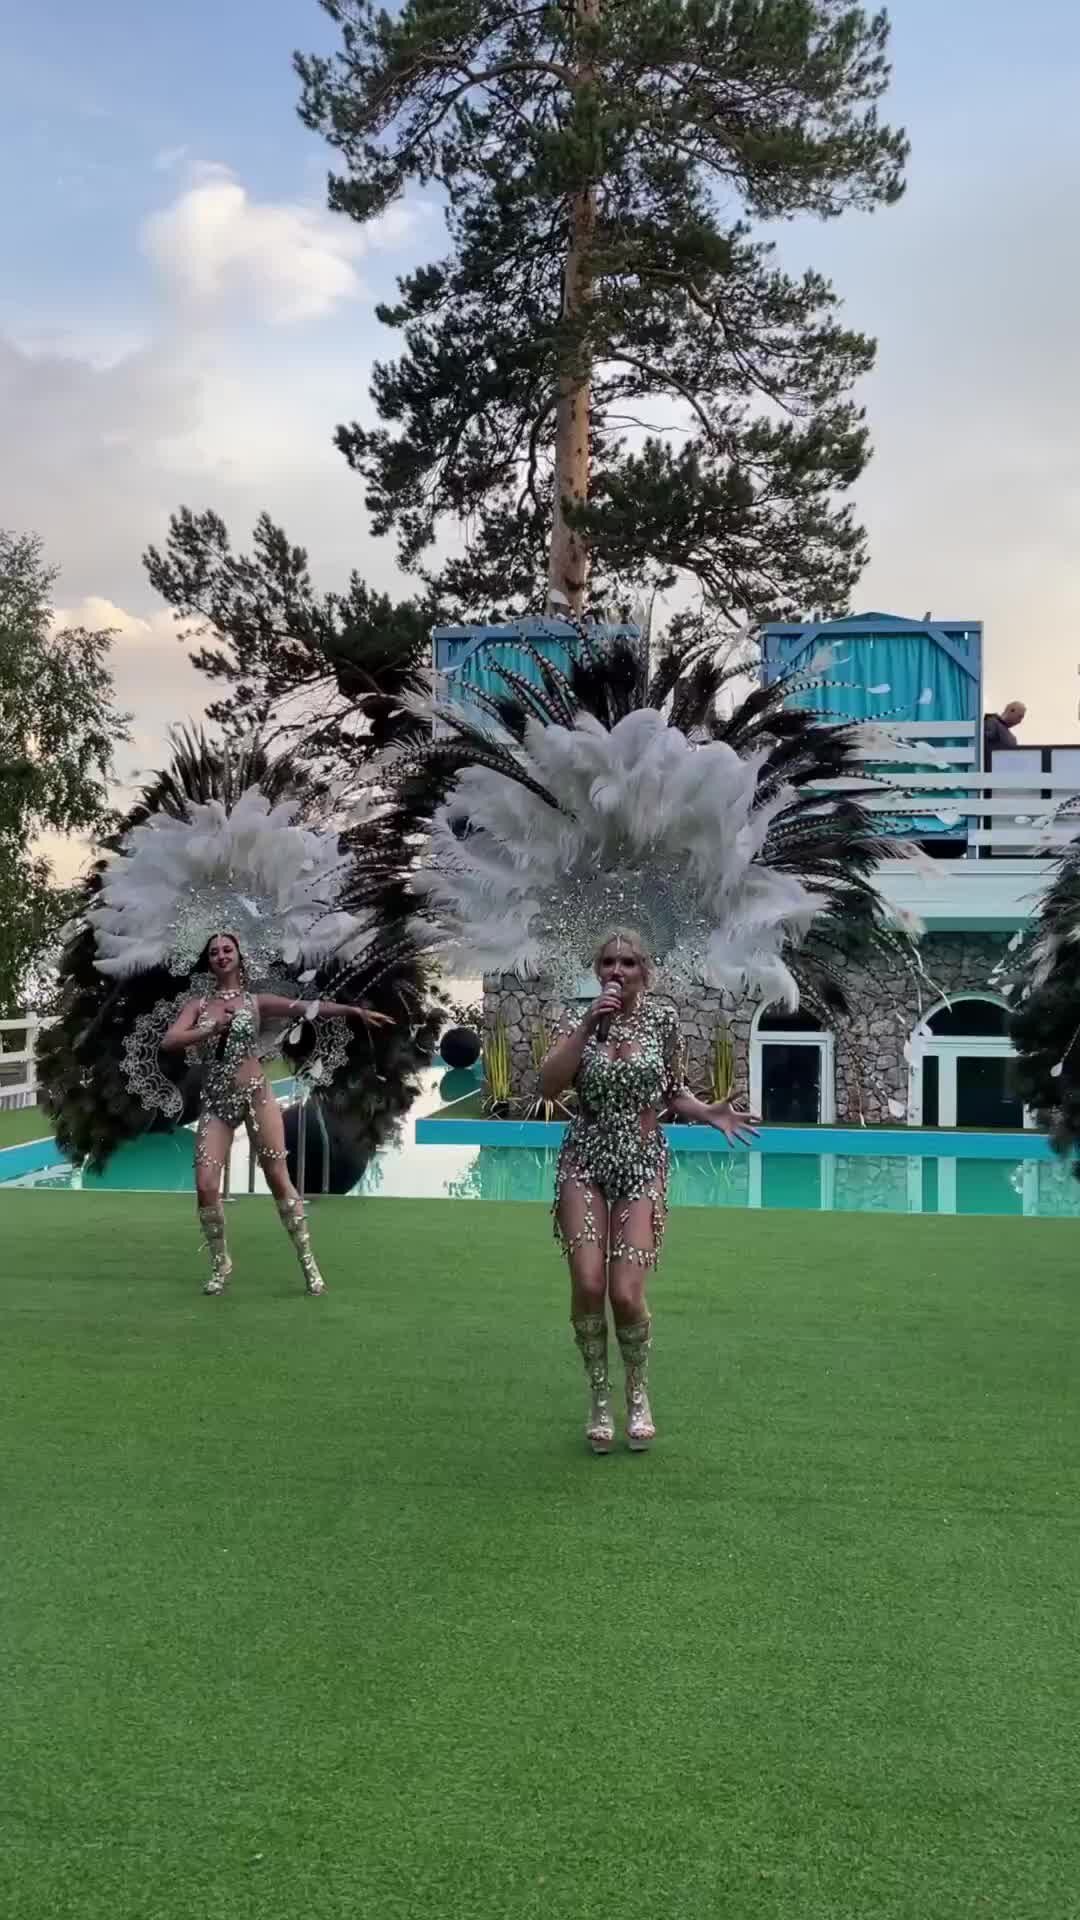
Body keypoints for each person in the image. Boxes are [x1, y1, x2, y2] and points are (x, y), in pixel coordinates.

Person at [540, 929, 757, 1454]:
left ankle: (636, 1391)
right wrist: (591, 1022)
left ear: (645, 971)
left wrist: (708, 1113)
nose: (618, 971)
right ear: (598, 970)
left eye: (629, 963)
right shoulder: (580, 1021)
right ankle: (598, 1398)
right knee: (589, 1284)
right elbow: (548, 1086)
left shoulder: (663, 1020)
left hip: (641, 1160)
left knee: (625, 1292)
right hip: (584, 1157)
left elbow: (673, 1093)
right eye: (610, 962)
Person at [162, 931, 392, 1297]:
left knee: (278, 1179)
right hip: (217, 1103)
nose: (221, 955)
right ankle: (221, 1264)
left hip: (256, 1096)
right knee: (206, 1186)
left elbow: (307, 1009)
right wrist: (207, 1029)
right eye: (215, 952)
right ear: (208, 962)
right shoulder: (198, 1006)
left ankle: (309, 1264)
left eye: (227, 949)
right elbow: (170, 1040)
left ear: (239, 956)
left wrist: (354, 1011)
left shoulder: (256, 1002)